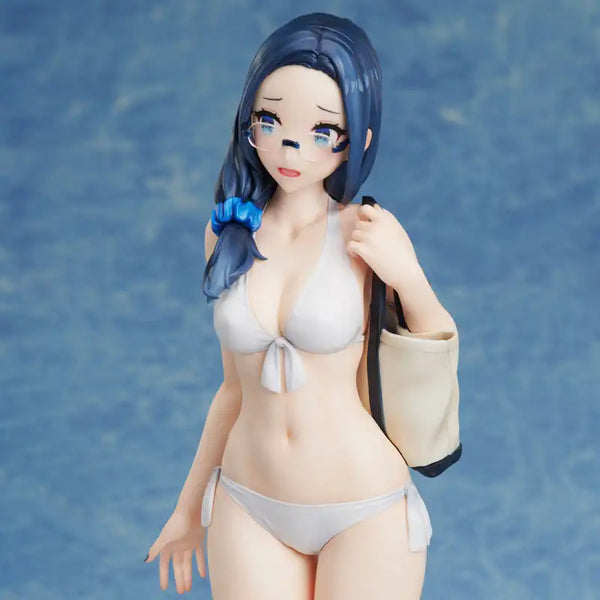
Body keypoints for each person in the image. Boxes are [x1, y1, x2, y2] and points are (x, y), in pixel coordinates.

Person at [145, 12, 457, 599]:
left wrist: (410, 278)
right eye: (271, 120)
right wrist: (186, 511)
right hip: (247, 501)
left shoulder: (366, 232)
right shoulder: (227, 234)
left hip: (363, 508)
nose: (291, 145)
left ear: (359, 138)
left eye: (322, 130)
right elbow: (232, 390)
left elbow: (435, 342)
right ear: (248, 122)